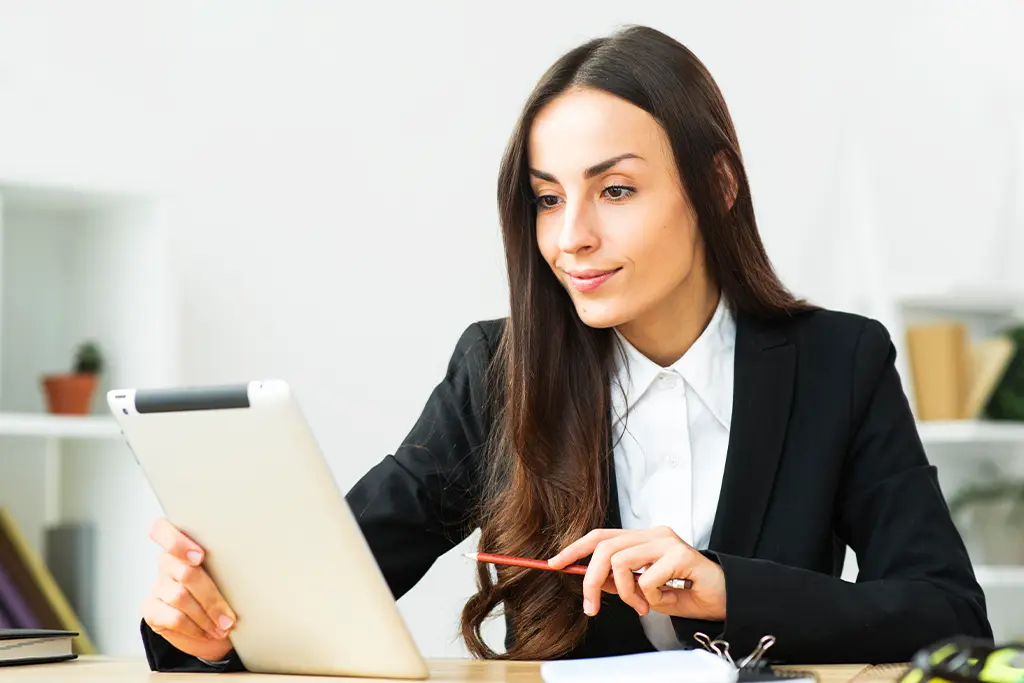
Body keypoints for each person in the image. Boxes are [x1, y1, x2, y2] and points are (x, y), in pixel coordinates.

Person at [138, 25, 991, 672]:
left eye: (615, 190)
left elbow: (946, 614)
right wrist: (197, 625)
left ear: (718, 185)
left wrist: (726, 587)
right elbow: (338, 577)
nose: (572, 237)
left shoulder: (839, 364)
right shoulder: (498, 370)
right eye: (548, 199)